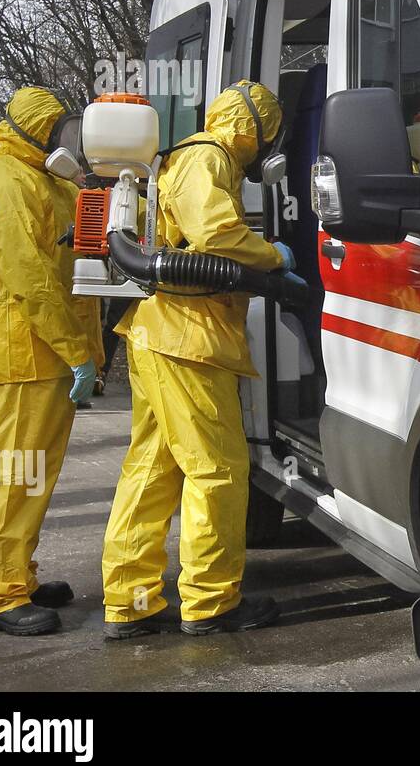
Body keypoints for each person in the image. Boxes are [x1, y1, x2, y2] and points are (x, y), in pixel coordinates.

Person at [101, 80, 295, 638]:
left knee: (153, 470)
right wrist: (271, 258)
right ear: (250, 126)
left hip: (159, 335)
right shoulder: (208, 156)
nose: (266, 145)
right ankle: (210, 603)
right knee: (217, 469)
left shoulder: (189, 158)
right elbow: (214, 233)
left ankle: (131, 602)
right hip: (190, 341)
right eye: (267, 131)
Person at [0, 86, 101, 636]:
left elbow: (70, 263)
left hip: (41, 354)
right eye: (59, 134)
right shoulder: (8, 183)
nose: (68, 145)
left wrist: (82, 348)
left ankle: (18, 575)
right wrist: (76, 349)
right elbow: (30, 280)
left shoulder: (43, 178)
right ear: (34, 134)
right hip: (17, 355)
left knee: (32, 476)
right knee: (11, 477)